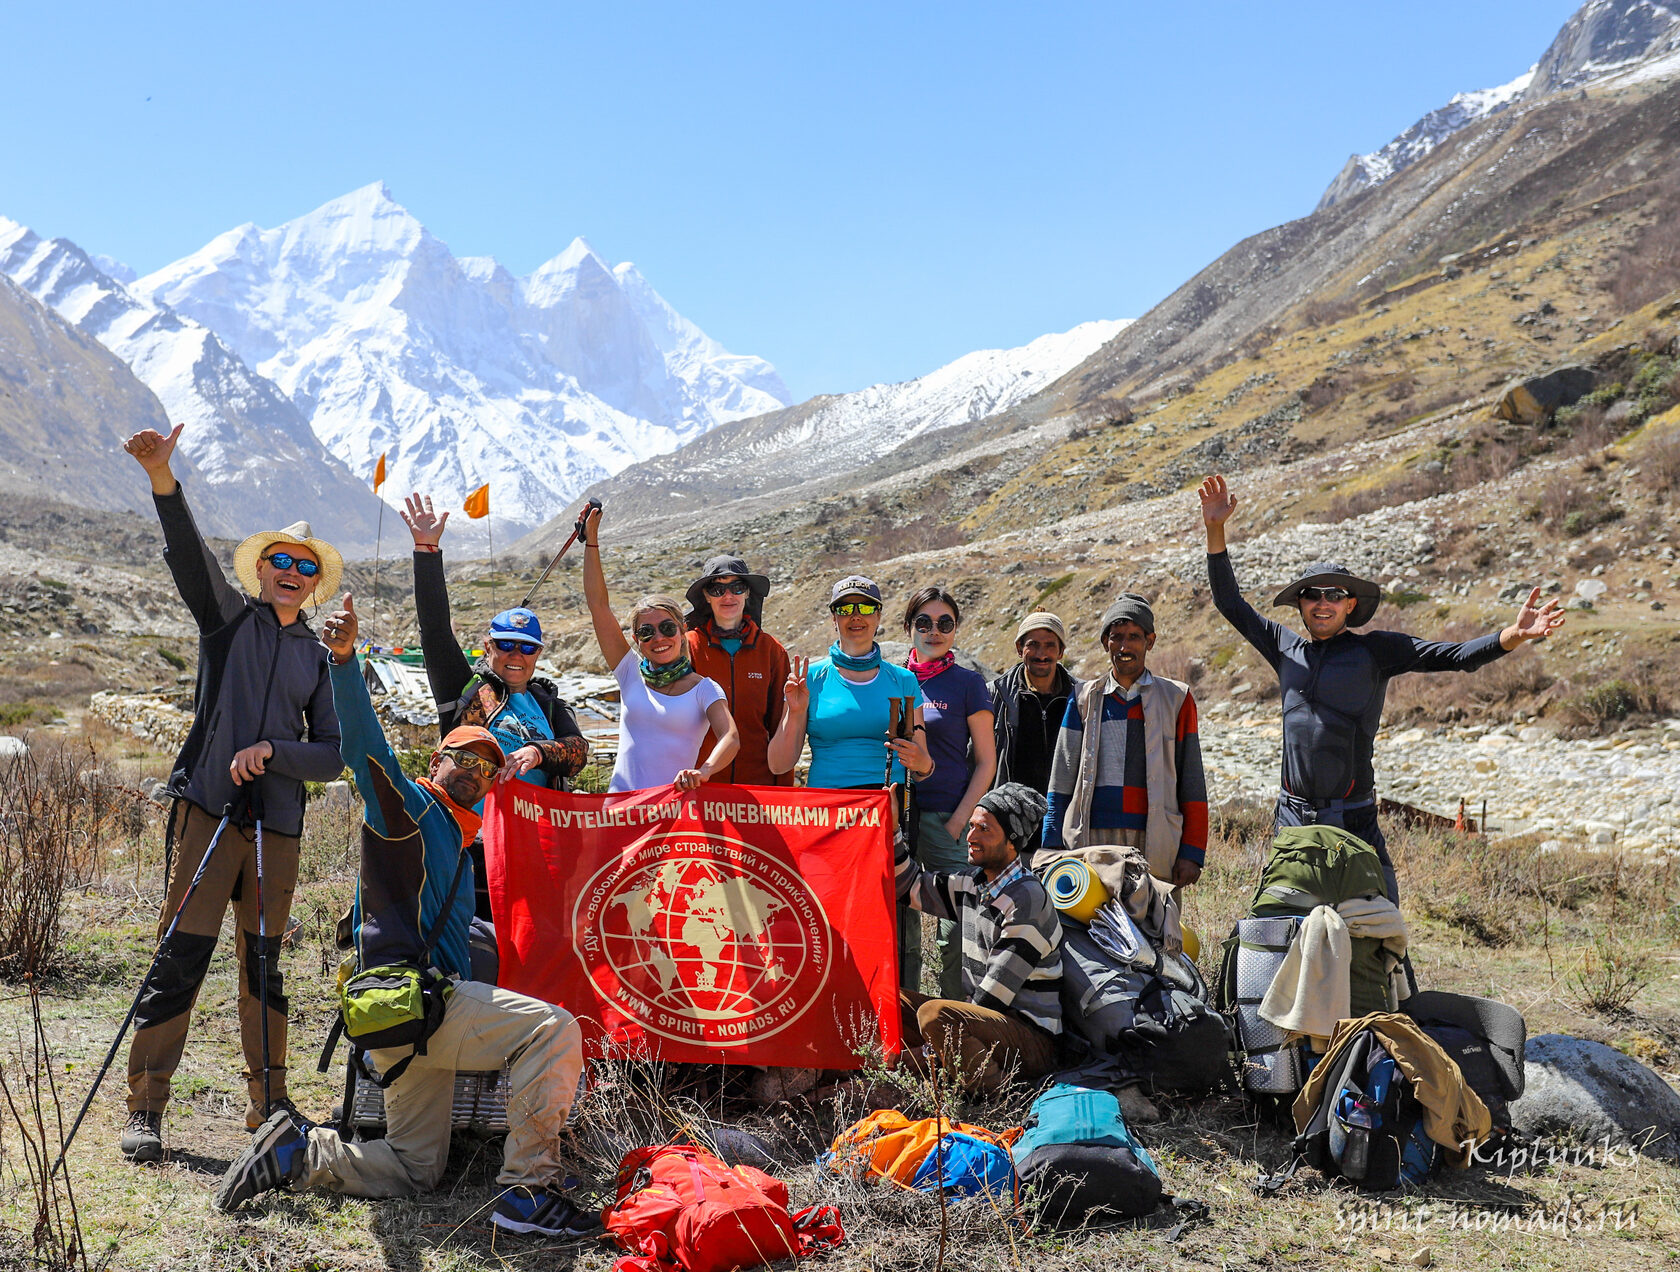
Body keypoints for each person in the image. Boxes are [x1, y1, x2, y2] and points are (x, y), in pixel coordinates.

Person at [215, 594, 595, 1238]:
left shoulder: (462, 838)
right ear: (434, 763)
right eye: (462, 756)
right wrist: (343, 661)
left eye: (488, 763)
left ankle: (296, 1154)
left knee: (415, 1168)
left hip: (395, 1018)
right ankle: (529, 1190)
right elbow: (366, 749)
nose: (476, 768)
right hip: (420, 1002)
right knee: (553, 1030)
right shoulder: (411, 810)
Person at [117, 424, 344, 1164]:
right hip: (208, 813)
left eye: (302, 565)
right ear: (261, 569)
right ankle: (146, 1106)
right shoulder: (227, 623)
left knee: (264, 965)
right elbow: (189, 559)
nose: (289, 571)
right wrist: (162, 477)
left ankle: (270, 1106)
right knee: (179, 955)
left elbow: (332, 757)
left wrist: (276, 751)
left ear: (314, 582)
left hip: (276, 828)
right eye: (279, 559)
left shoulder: (319, 655)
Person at [1198, 473, 1565, 902]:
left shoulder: (1376, 651)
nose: (1322, 602)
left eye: (1333, 594)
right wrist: (1215, 531)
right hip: (1293, 817)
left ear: (1350, 604)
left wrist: (1512, 636)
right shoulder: (1283, 647)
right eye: (1312, 594)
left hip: (1354, 818)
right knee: (1284, 925)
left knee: (1381, 930)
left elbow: (1454, 656)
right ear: (1300, 603)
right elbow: (1230, 604)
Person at [403, 492, 588, 926]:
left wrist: (539, 752)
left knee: (532, 934)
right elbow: (433, 630)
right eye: (504, 645)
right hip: (473, 842)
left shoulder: (548, 701)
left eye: (527, 648)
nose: (515, 655)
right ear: (488, 647)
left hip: (541, 841)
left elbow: (578, 751)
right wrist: (427, 553)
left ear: (538, 654)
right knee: (475, 934)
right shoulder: (465, 691)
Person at [895, 783, 1063, 1095]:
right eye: (971, 826)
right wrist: (893, 832)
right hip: (985, 1024)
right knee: (889, 1000)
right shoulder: (973, 885)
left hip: (1030, 1041)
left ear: (1011, 841)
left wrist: (915, 1058)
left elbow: (991, 1000)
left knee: (934, 1016)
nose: (970, 837)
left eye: (984, 829)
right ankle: (948, 1073)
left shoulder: (1026, 899)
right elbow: (908, 888)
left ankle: (996, 1096)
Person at [1042, 593, 1209, 891]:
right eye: (1116, 637)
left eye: (1134, 636)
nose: (1124, 646)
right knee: (1090, 928)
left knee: (1154, 929)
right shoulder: (1083, 698)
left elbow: (1192, 781)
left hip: (1154, 839)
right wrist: (1051, 843)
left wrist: (1192, 851)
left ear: (1150, 641)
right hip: (1091, 840)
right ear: (1106, 642)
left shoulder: (1176, 698)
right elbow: (1061, 779)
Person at [581, 505, 739, 791]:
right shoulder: (629, 673)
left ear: (682, 631)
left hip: (672, 815)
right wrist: (591, 539)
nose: (658, 638)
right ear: (636, 639)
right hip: (619, 812)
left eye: (667, 628)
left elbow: (730, 737)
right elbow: (598, 605)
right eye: (646, 631)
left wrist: (703, 772)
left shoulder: (705, 689)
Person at [899, 586, 996, 998]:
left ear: (955, 629)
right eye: (924, 622)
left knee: (955, 929)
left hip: (947, 819)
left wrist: (961, 819)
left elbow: (986, 762)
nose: (933, 631)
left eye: (944, 623)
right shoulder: (892, 678)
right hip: (899, 820)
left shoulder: (968, 684)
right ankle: (903, 1018)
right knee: (900, 927)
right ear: (909, 628)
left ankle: (955, 1022)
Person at [767, 576, 931, 791]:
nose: (855, 616)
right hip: (827, 807)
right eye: (845, 609)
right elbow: (778, 765)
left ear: (879, 616)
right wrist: (796, 712)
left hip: (888, 805)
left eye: (865, 607)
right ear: (834, 618)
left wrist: (923, 764)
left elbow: (922, 767)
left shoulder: (903, 679)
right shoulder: (808, 678)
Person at [684, 555, 792, 786]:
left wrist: (784, 792)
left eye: (737, 587)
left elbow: (780, 727)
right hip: (700, 785)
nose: (728, 596)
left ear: (748, 593)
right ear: (706, 595)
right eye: (717, 589)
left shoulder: (772, 651)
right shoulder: (688, 646)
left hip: (757, 786)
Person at [990, 611, 1079, 795]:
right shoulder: (995, 695)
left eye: (1049, 645)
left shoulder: (1080, 697)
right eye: (1033, 644)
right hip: (1009, 814)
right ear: (1019, 648)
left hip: (1063, 811)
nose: (1041, 654)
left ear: (1061, 651)